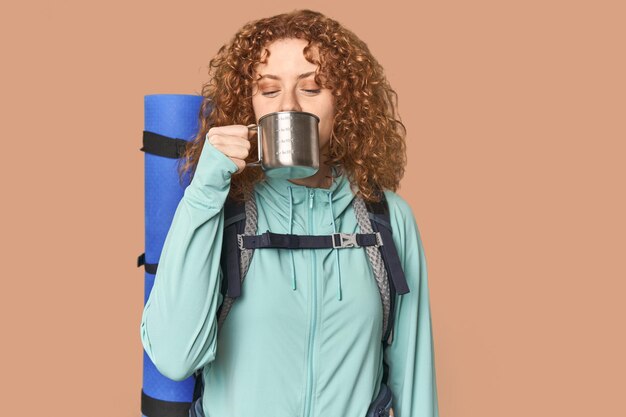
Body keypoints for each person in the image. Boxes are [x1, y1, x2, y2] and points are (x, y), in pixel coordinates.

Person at [140, 9, 439, 417]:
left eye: (313, 88)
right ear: (250, 108)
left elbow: (414, 382)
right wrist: (205, 190)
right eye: (268, 90)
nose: (289, 106)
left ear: (344, 105)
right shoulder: (219, 208)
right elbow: (175, 359)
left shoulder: (386, 217)